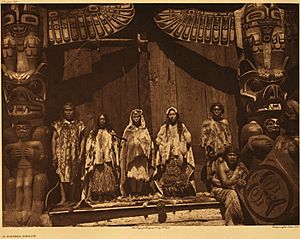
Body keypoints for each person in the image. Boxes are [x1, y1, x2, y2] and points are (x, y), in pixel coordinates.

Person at [4, 121, 46, 225]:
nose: (22, 131)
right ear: (15, 131)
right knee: (18, 185)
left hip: (30, 168)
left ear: (30, 130)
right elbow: (6, 158)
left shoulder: (36, 144)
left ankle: (27, 210)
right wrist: (11, 157)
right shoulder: (12, 146)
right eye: (19, 129)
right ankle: (18, 210)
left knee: (27, 185)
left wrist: (35, 154)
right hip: (19, 169)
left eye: (25, 129)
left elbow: (43, 158)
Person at [154, 106, 196, 197]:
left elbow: (187, 137)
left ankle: (180, 192)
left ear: (176, 115)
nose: (171, 116)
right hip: (168, 155)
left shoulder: (181, 126)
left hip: (179, 154)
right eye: (170, 114)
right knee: (169, 175)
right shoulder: (165, 127)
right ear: (168, 116)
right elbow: (159, 139)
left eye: (173, 114)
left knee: (180, 174)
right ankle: (169, 193)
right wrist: (161, 143)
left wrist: (185, 140)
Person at [80, 114, 120, 203]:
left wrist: (114, 139)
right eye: (100, 119)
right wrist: (89, 154)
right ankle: (99, 196)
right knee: (98, 177)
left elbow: (115, 144)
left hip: (107, 157)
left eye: (104, 119)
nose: (102, 121)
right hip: (97, 158)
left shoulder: (110, 132)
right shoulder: (93, 132)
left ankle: (107, 195)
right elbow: (89, 144)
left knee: (107, 176)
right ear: (98, 121)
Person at [52, 102, 86, 205]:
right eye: (66, 110)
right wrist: (54, 154)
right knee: (62, 176)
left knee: (73, 175)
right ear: (63, 112)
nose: (68, 112)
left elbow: (82, 139)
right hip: (62, 153)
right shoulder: (58, 124)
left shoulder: (79, 124)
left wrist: (81, 153)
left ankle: (72, 198)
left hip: (74, 153)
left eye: (70, 110)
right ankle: (63, 199)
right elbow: (54, 139)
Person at [119, 109, 153, 197]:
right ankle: (134, 192)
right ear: (132, 118)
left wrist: (143, 143)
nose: (136, 118)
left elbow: (148, 141)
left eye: (138, 116)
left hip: (141, 155)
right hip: (132, 155)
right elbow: (124, 141)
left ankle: (140, 192)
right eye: (134, 117)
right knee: (133, 173)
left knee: (141, 173)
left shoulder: (144, 129)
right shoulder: (128, 129)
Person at [211, 147, 248, 225]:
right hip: (220, 189)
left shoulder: (240, 166)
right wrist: (236, 181)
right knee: (231, 194)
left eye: (234, 155)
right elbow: (225, 183)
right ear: (226, 156)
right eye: (230, 155)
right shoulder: (222, 166)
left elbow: (248, 177)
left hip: (237, 190)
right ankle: (230, 221)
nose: (232, 157)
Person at [200, 102, 232, 191]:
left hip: (222, 148)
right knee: (211, 168)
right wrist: (205, 145)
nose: (216, 111)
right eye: (215, 110)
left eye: (218, 109)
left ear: (221, 111)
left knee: (222, 167)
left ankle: (222, 187)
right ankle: (212, 188)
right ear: (212, 111)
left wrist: (227, 145)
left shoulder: (224, 122)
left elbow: (228, 135)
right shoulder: (207, 123)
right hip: (211, 149)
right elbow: (203, 135)